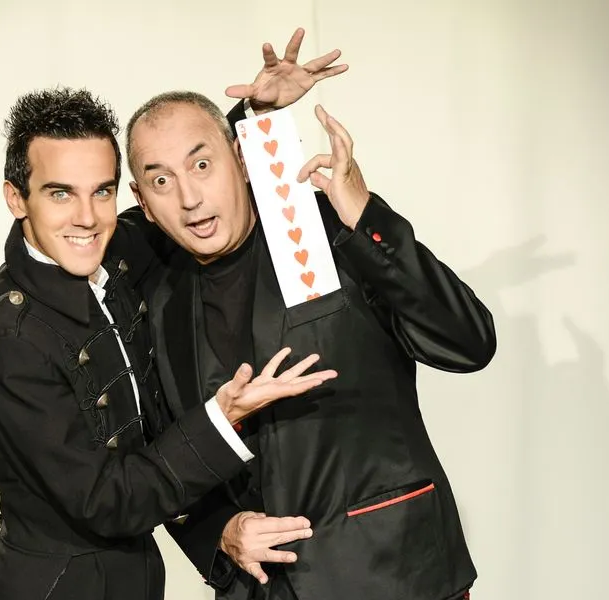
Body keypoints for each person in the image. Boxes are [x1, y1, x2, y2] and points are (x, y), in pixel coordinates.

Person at [0, 48, 344, 598]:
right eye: (60, 193)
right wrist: (222, 417)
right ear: (16, 199)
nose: (87, 218)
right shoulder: (11, 339)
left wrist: (253, 118)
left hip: (133, 579)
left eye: (101, 191)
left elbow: (183, 198)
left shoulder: (114, 249)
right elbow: (108, 501)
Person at [122, 74, 497, 599]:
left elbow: (469, 342)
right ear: (141, 199)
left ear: (241, 159)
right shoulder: (154, 299)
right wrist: (221, 530)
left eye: (202, 165)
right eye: (161, 181)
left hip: (394, 574)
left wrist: (365, 215)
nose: (189, 198)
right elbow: (167, 453)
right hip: (262, 589)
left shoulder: (328, 228)